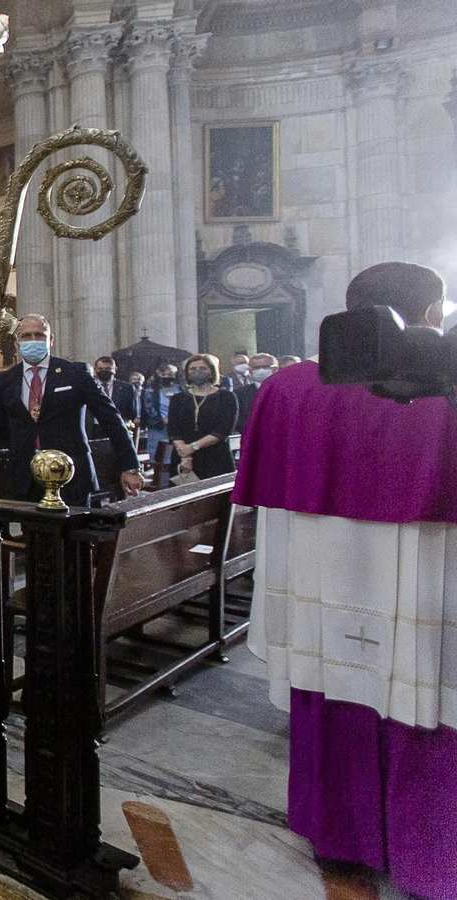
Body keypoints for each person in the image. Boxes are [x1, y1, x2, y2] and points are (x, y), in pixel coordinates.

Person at [238, 261, 456, 900]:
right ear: (429, 313)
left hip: (322, 580)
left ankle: (340, 839)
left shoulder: (288, 389)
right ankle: (434, 856)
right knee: (431, 701)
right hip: (431, 582)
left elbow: (264, 512)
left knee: (332, 691)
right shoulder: (444, 382)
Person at [0, 315, 143, 505]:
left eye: (39, 335)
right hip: (26, 478)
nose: (33, 340)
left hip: (71, 475)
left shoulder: (75, 373)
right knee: (33, 533)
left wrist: (130, 466)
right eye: (26, 336)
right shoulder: (4, 381)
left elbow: (111, 419)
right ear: (17, 343)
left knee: (75, 533)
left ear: (50, 340)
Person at [167, 353, 237, 479]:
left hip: (215, 456)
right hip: (183, 456)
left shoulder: (226, 397)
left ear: (212, 372)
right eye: (193, 369)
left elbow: (223, 430)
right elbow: (173, 429)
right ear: (187, 373)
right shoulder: (178, 398)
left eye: (203, 369)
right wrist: (185, 455)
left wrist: (193, 447)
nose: (197, 372)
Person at [139, 362, 180, 458]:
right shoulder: (150, 390)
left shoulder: (179, 389)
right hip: (158, 426)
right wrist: (162, 419)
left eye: (169, 374)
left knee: (172, 454)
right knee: (158, 455)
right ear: (158, 375)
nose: (166, 377)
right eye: (163, 374)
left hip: (176, 426)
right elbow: (149, 407)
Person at [91, 354, 138, 428]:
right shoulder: (89, 387)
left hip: (118, 428)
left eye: (107, 369)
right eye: (100, 369)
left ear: (115, 370)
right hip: (94, 428)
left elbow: (132, 412)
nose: (104, 371)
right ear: (95, 370)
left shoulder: (127, 388)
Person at [233, 352, 274, 433]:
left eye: (265, 367)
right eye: (256, 368)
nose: (261, 370)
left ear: (274, 369)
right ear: (250, 370)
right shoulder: (240, 394)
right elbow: (238, 419)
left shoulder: (287, 391)